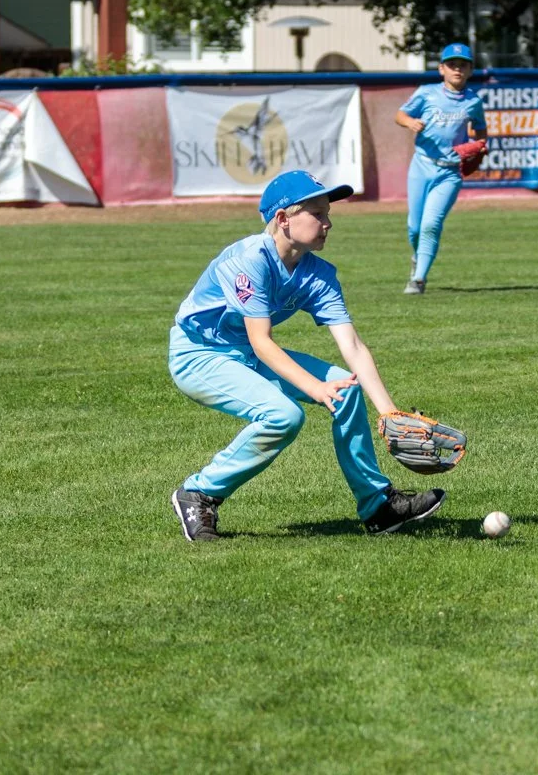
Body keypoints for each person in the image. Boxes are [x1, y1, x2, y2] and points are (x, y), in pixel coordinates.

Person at [168, 169, 446, 541]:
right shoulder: (248, 259)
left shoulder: (319, 274)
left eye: (328, 213)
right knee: (284, 416)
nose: (328, 223)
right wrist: (315, 388)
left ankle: (377, 505)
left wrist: (388, 412)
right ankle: (200, 492)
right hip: (198, 354)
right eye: (317, 214)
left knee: (345, 392)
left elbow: (353, 346)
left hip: (245, 351)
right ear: (283, 219)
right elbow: (262, 341)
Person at [394, 42, 489, 294]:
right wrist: (410, 122)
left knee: (430, 225)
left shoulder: (473, 101)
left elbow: (480, 130)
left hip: (450, 172)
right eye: (452, 64)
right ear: (441, 69)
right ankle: (418, 258)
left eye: (463, 65)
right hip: (422, 165)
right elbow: (399, 115)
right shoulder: (426, 93)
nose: (457, 69)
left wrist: (478, 145)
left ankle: (419, 279)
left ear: (470, 70)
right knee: (414, 227)